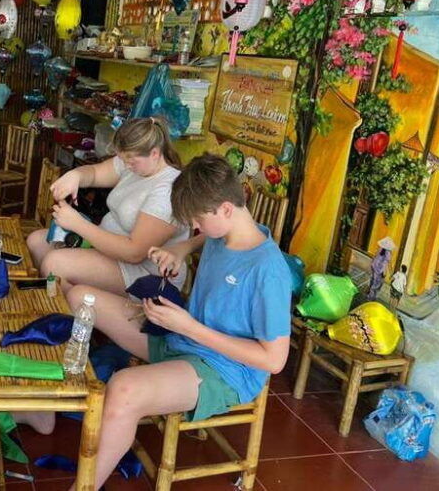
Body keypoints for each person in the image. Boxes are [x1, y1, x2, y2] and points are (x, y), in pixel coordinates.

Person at [63, 153, 292, 490]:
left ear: (225, 208)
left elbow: (274, 360)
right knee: (83, 296)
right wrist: (182, 248)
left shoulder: (268, 270)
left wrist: (190, 327)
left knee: (124, 389)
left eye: (198, 219)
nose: (196, 227)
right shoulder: (224, 230)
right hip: (181, 339)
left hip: (222, 370)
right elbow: (205, 236)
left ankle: (84, 487)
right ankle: (57, 391)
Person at [26, 117, 189, 296]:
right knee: (36, 242)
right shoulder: (134, 160)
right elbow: (95, 173)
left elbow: (134, 252)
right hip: (108, 249)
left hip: (145, 272)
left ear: (155, 154)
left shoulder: (168, 190)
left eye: (131, 162)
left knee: (55, 264)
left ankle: (73, 313)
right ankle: (65, 303)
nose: (126, 166)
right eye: (123, 160)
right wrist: (76, 175)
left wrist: (78, 224)